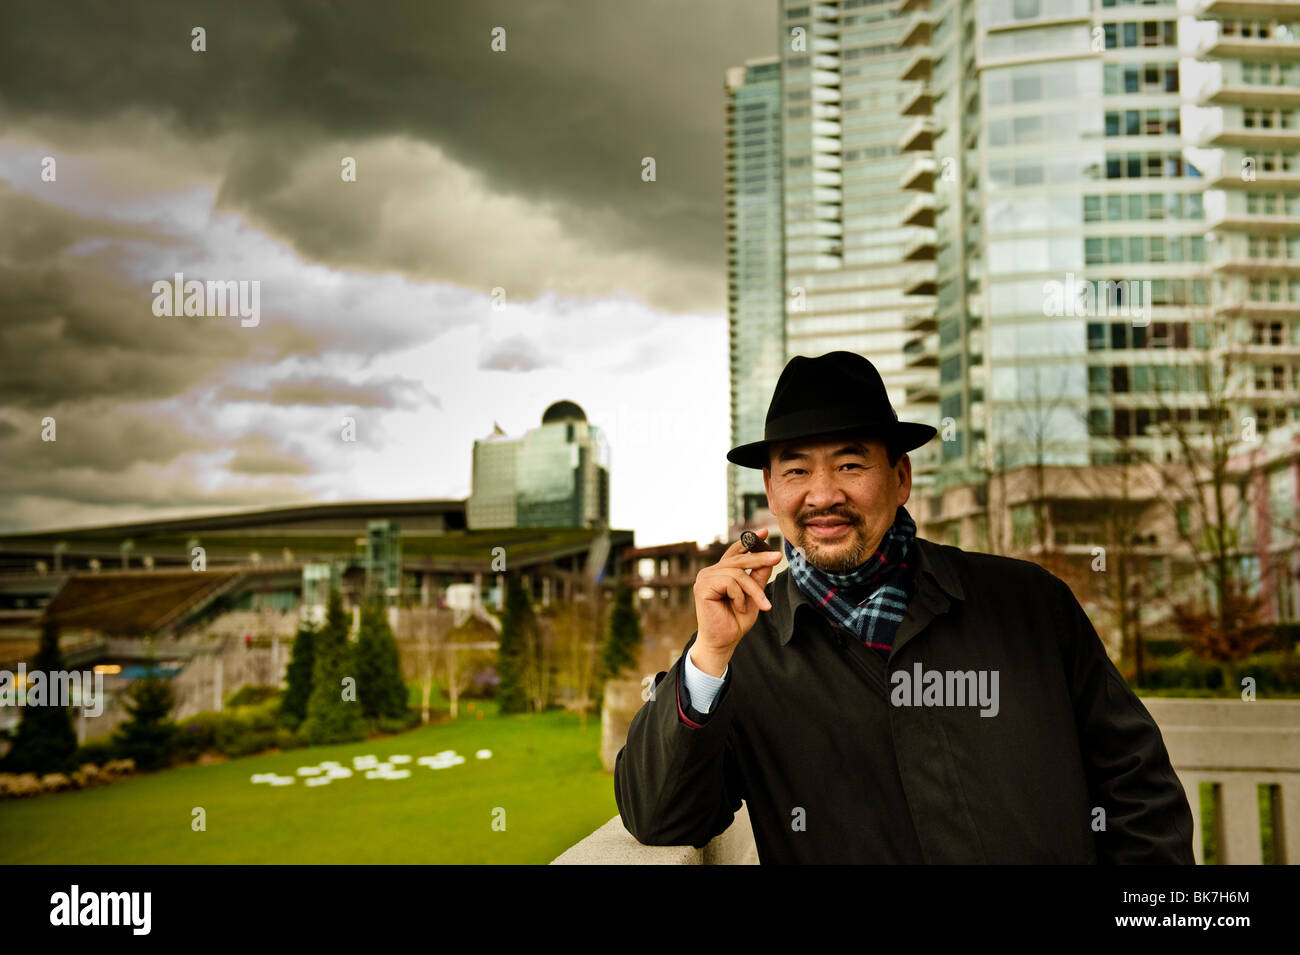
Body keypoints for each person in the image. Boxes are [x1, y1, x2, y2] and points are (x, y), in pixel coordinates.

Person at [614, 350, 1194, 863]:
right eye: (796, 470)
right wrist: (709, 652)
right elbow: (660, 816)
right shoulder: (743, 646)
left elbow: (1139, 792)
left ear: (900, 476)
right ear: (770, 492)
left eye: (850, 464)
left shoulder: (1030, 604)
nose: (823, 495)